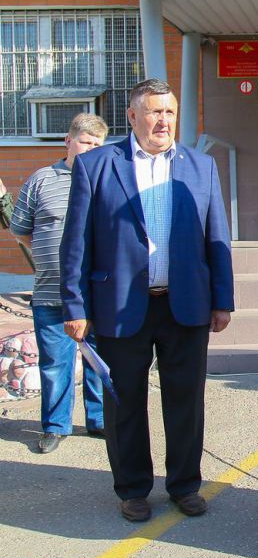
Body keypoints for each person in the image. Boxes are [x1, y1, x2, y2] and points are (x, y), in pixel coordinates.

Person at [60, 79, 233, 523]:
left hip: (185, 305)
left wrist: (223, 299)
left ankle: (184, 485)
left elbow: (217, 236)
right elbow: (76, 242)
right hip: (119, 305)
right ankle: (133, 489)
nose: (163, 121)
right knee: (125, 403)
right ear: (133, 116)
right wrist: (75, 306)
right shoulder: (97, 165)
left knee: (186, 402)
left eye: (169, 112)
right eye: (154, 112)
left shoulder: (201, 166)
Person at [10, 113, 109, 453]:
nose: (91, 149)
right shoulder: (41, 180)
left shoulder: (107, 182)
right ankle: (55, 426)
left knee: (98, 360)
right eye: (85, 142)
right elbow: (21, 230)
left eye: (97, 145)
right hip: (51, 292)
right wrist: (50, 254)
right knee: (55, 363)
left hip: (97, 293)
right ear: (68, 141)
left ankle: (99, 420)